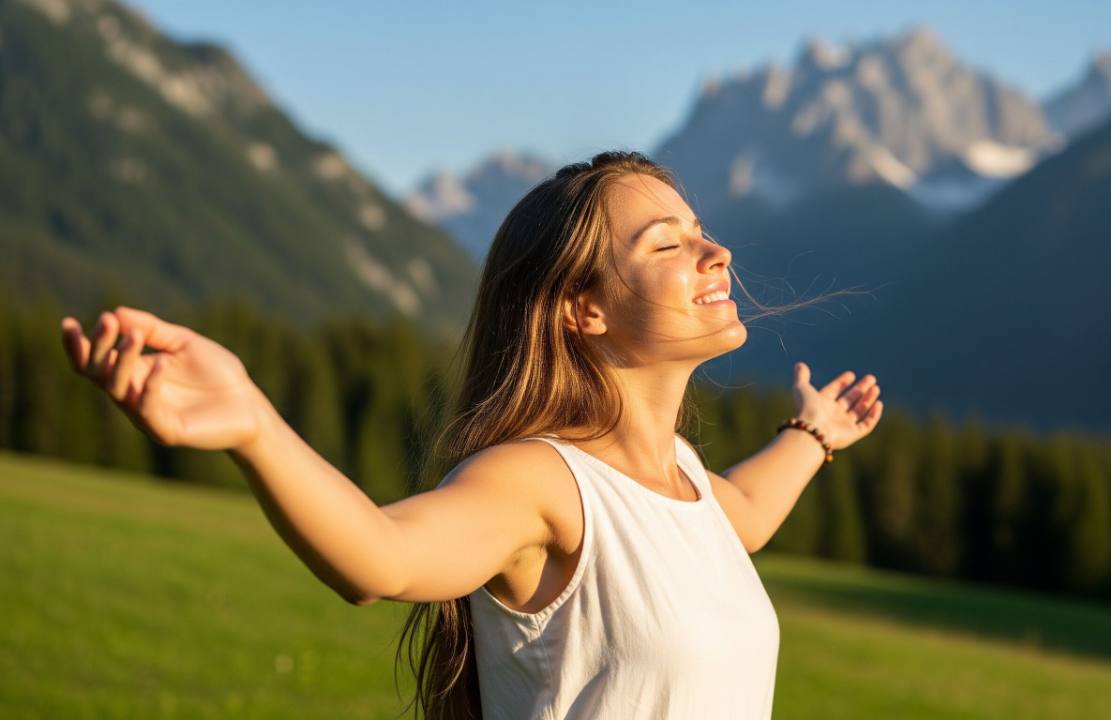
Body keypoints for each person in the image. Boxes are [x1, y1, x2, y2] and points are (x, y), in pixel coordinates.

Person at [60, 150, 883, 719]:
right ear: (582, 308)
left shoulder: (686, 479)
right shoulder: (540, 483)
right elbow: (381, 557)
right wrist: (252, 422)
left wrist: (814, 434)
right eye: (669, 243)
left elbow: (743, 508)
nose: (717, 252)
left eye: (699, 228)